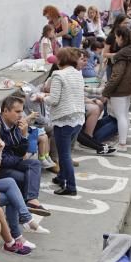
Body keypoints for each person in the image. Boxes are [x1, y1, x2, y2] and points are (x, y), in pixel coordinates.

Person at [0, 96, 50, 216]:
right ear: (5, 111)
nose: (21, 115)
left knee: (35, 164)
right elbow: (2, 160)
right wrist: (20, 158)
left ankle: (31, 201)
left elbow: (21, 152)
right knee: (25, 177)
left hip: (11, 161)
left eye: (22, 111)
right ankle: (23, 210)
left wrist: (24, 135)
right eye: (17, 111)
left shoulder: (15, 124)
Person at [45, 47, 86, 196]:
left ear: (60, 60)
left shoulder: (58, 75)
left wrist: (41, 97)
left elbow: (54, 100)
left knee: (64, 155)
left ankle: (70, 186)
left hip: (64, 120)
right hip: (78, 118)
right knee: (66, 151)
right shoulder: (77, 74)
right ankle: (62, 177)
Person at [102, 26, 131, 152]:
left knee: (120, 116)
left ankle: (122, 144)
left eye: (116, 37)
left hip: (119, 90)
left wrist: (106, 92)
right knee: (124, 115)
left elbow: (116, 76)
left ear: (121, 38)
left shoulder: (121, 55)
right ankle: (123, 140)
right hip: (129, 88)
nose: (115, 40)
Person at [103, 13, 128, 80]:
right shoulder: (111, 36)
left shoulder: (128, 36)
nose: (126, 25)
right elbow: (105, 54)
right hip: (112, 67)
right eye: (124, 23)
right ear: (118, 23)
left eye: (127, 23)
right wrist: (118, 54)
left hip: (124, 67)